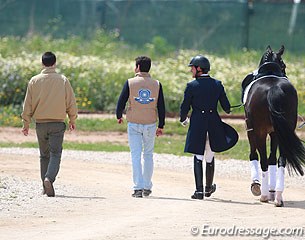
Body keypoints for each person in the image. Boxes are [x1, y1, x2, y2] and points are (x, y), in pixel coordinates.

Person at [180, 55, 238, 200]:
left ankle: (199, 191)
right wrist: (230, 109)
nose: (191, 70)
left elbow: (185, 106)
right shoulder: (217, 84)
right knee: (210, 155)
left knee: (198, 155)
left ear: (199, 69)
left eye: (192, 68)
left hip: (198, 123)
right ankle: (208, 188)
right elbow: (226, 107)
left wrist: (183, 118)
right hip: (213, 123)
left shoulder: (191, 86)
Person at [21, 51, 78, 197]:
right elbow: (70, 102)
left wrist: (25, 122)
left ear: (42, 63)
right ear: (55, 63)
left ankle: (44, 187)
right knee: (55, 153)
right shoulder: (63, 80)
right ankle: (49, 179)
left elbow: (28, 103)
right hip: (57, 124)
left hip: (40, 124)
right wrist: (72, 119)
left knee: (44, 155)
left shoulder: (34, 80)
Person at [116, 56, 165, 198]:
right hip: (150, 123)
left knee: (135, 155)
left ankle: (138, 187)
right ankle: (147, 186)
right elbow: (161, 106)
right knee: (148, 155)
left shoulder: (130, 82)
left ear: (137, 67)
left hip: (134, 123)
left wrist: (119, 115)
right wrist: (161, 125)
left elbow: (121, 101)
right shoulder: (157, 84)